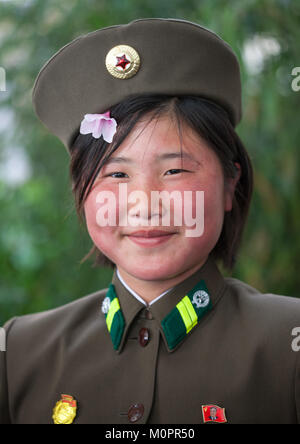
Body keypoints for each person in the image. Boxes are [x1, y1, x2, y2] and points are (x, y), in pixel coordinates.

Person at [0, 18, 299, 425]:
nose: (144, 203)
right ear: (81, 193)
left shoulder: (288, 345)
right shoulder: (18, 353)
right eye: (116, 174)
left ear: (230, 184)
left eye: (174, 171)